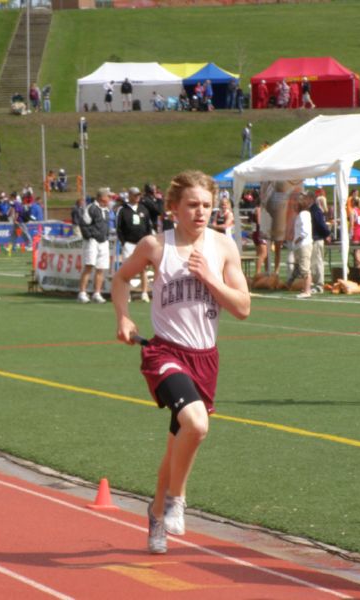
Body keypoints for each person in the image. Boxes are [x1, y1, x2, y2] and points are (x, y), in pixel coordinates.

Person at [111, 170, 250, 554]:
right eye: (192, 204)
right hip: (165, 353)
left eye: (206, 205)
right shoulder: (156, 246)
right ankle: (177, 500)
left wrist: (211, 279)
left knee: (177, 446)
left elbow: (243, 308)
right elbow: (121, 279)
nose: (200, 211)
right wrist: (123, 317)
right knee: (196, 424)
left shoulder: (223, 248)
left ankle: (156, 511)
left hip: (205, 359)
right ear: (174, 208)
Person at [115, 186, 153, 302]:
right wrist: (123, 242)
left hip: (141, 243)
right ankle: (127, 293)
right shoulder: (123, 209)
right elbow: (119, 227)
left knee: (143, 269)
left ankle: (144, 293)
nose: (138, 197)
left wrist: (147, 240)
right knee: (128, 269)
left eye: (139, 195)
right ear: (130, 195)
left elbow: (148, 226)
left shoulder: (143, 209)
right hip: (129, 243)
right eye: (135, 195)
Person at [77, 188, 111, 304]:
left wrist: (105, 235)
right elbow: (83, 223)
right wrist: (90, 236)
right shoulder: (91, 208)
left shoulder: (106, 210)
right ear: (102, 197)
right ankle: (82, 292)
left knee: (101, 268)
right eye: (108, 196)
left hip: (103, 241)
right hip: (92, 242)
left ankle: (97, 293)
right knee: (89, 266)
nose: (110, 199)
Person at [286, 193, 313, 298]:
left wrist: (296, 240)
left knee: (305, 268)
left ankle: (307, 291)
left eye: (295, 204)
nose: (293, 206)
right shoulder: (302, 214)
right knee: (302, 268)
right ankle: (305, 288)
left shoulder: (303, 215)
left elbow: (304, 232)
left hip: (303, 245)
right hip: (301, 245)